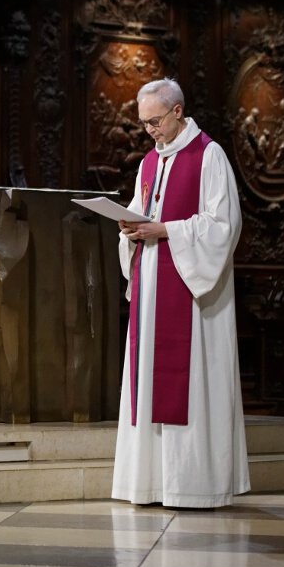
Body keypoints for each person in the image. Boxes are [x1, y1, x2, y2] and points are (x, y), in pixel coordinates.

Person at [113, 78, 250, 508]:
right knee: (147, 381)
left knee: (189, 383)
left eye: (154, 121)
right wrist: (130, 230)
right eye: (143, 124)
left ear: (177, 111)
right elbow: (142, 212)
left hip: (192, 298)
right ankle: (149, 483)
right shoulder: (149, 163)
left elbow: (223, 226)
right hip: (152, 287)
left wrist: (165, 229)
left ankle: (192, 485)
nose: (149, 130)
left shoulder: (209, 155)